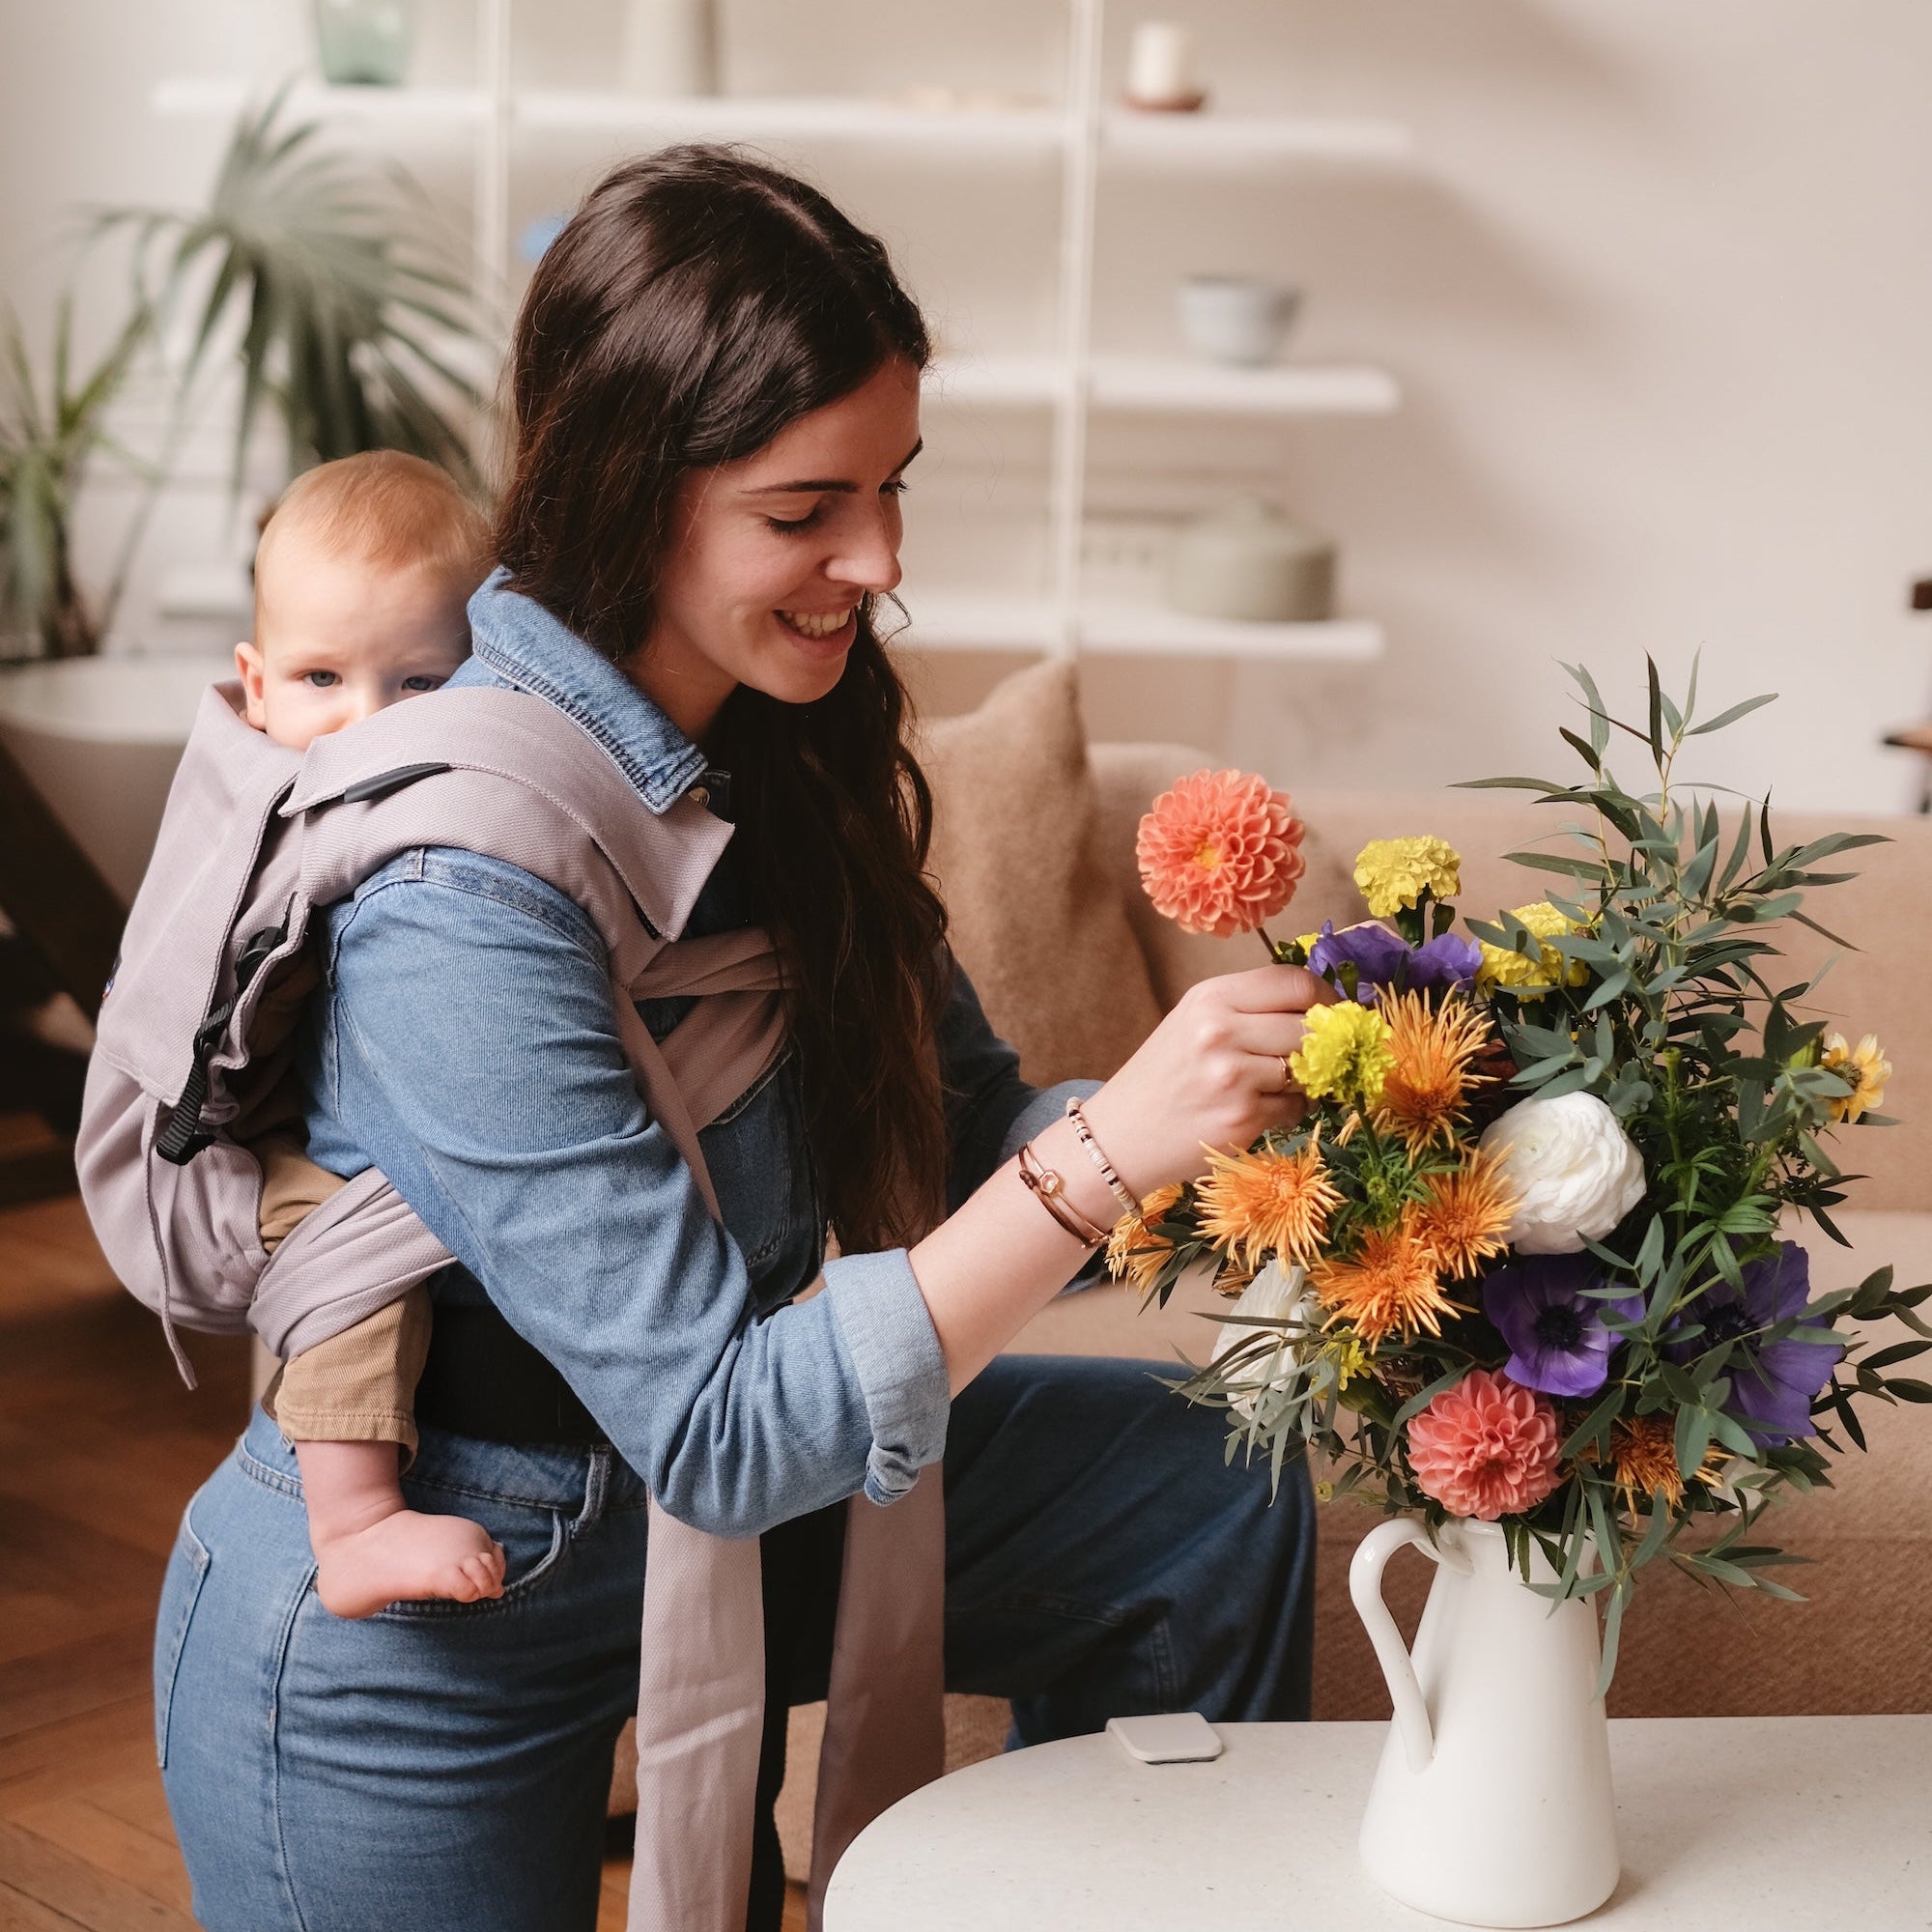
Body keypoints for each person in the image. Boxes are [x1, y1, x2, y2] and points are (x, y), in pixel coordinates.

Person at [156, 148, 1329, 1932]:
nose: (880, 560)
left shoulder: (786, 756)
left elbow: (966, 1134)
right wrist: (1105, 1162)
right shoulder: (455, 882)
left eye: (891, 487)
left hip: (716, 1522)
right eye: (806, 511)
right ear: (635, 490)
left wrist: (1287, 1130)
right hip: (430, 1599)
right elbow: (717, 1423)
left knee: (1202, 1485)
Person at [228, 449, 509, 1618]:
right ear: (255, 685)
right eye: (320, 676)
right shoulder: (270, 809)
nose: (365, 718)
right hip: (285, 1145)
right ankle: (353, 1520)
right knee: (349, 1267)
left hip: (382, 1121)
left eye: (416, 681)